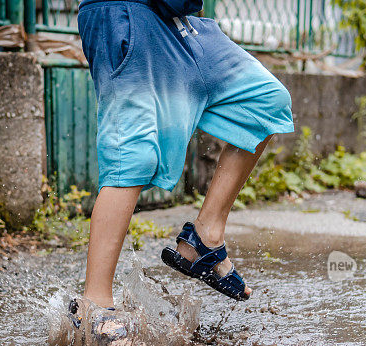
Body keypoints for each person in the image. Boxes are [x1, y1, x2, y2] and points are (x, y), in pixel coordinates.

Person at [75, 0, 294, 311]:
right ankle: (94, 307)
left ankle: (206, 236)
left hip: (179, 21)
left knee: (266, 100)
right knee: (133, 157)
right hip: (128, 13)